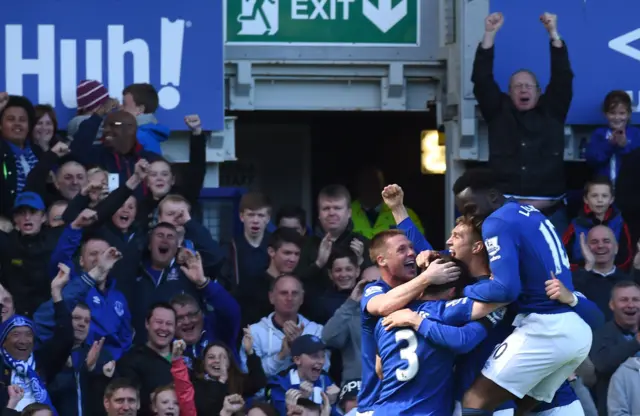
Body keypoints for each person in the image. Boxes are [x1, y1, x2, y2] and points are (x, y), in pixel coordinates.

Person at [452, 168, 592, 415]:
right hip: (575, 330)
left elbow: (506, 289)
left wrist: (467, 290)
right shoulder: (528, 212)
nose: (470, 217)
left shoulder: (496, 220)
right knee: (523, 406)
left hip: (545, 327)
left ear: (494, 196)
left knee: (475, 399)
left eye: (471, 209)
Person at [472, 12, 573, 233]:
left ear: (539, 92)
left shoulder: (553, 110)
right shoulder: (498, 111)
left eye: (529, 86)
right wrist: (489, 34)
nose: (523, 89)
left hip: (550, 215)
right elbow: (481, 80)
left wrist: (553, 34)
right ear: (509, 93)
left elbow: (563, 77)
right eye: (518, 86)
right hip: (504, 214)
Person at [357, 229, 460, 413]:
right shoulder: (374, 289)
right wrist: (427, 277)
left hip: (422, 406)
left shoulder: (425, 294)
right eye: (401, 249)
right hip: (376, 404)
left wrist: (432, 257)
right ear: (382, 260)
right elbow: (383, 306)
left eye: (412, 248)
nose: (411, 253)